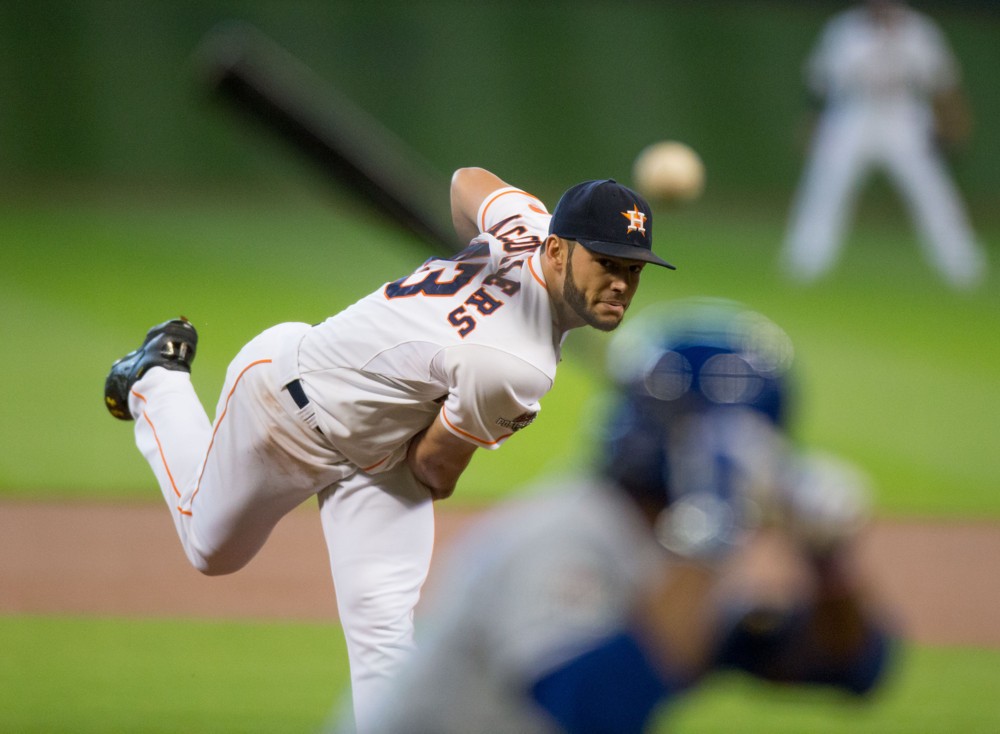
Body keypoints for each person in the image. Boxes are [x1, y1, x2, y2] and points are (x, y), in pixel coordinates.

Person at [101, 167, 675, 732]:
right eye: (605, 262)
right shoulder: (517, 366)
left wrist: (481, 266)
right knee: (211, 550)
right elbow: (433, 468)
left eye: (632, 268)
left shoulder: (523, 224)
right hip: (288, 405)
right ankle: (157, 379)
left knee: (386, 641)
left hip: (381, 462)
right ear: (555, 250)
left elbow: (467, 181)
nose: (621, 283)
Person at [362, 298, 895, 734]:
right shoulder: (564, 535)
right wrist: (711, 525)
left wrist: (828, 563)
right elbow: (594, 713)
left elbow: (850, 669)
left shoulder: (673, 553)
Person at [781, 0, 986, 289]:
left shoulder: (919, 30)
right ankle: (804, 264)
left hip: (902, 114)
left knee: (932, 192)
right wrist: (812, 123)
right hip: (853, 111)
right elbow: (820, 84)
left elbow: (942, 83)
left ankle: (963, 267)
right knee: (825, 187)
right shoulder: (844, 29)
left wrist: (953, 122)